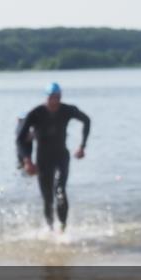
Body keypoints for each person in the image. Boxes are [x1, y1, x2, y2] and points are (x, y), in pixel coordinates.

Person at [17, 83, 91, 231]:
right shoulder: (36, 113)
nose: (54, 101)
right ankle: (50, 228)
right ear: (47, 98)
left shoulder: (67, 110)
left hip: (61, 156)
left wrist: (82, 146)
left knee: (60, 190)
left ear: (60, 97)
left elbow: (87, 120)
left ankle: (62, 227)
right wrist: (27, 160)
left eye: (57, 97)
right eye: (51, 98)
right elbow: (20, 139)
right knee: (47, 198)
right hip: (43, 159)